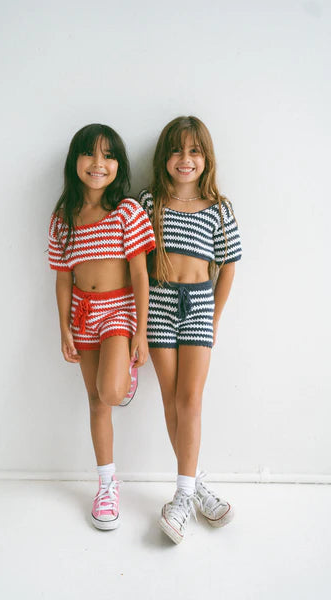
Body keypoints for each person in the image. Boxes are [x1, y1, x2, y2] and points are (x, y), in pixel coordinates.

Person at [139, 115, 242, 544]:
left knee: (191, 399)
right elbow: (137, 265)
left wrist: (213, 318)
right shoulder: (149, 203)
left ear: (206, 159)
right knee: (170, 399)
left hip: (198, 305)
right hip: (159, 305)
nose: (185, 160)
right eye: (177, 151)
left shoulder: (219, 208)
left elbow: (229, 266)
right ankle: (192, 488)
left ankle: (183, 493)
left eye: (194, 151)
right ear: (165, 157)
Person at [49, 124, 155, 530]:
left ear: (118, 165)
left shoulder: (127, 212)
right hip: (82, 313)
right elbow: (62, 277)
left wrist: (141, 333)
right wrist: (64, 328)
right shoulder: (63, 219)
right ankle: (107, 484)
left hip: (118, 312)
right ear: (75, 160)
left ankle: (123, 374)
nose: (98, 164)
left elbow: (140, 275)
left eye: (108, 155)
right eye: (90, 154)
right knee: (95, 402)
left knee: (110, 391)